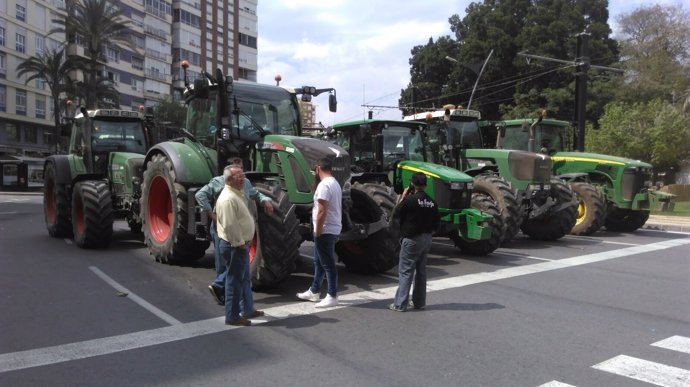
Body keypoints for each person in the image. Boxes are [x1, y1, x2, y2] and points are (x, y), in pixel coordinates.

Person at [195, 157, 272, 319]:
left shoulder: (245, 184)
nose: (242, 175)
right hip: (227, 233)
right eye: (238, 172)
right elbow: (202, 197)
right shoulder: (222, 188)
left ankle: (247, 308)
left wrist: (265, 200)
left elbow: (255, 194)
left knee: (242, 276)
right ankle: (224, 298)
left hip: (240, 236)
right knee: (226, 269)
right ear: (229, 175)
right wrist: (211, 214)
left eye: (242, 171)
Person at [388, 172, 439, 312]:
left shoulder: (409, 200)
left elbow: (395, 215)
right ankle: (419, 303)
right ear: (425, 185)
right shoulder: (432, 202)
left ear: (412, 184)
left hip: (412, 239)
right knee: (421, 271)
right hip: (427, 239)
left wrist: (403, 197)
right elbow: (436, 225)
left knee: (406, 272)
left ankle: (400, 304)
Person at [297, 157, 342, 308]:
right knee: (319, 261)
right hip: (332, 227)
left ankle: (332, 295)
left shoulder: (324, 185)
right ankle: (314, 290)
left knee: (328, 263)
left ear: (318, 169)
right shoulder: (334, 183)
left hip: (326, 229)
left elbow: (322, 210)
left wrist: (317, 231)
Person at [216, 165, 256, 326]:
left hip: (241, 245)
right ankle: (232, 316)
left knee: (244, 279)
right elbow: (230, 226)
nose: (243, 178)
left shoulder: (236, 194)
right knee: (234, 282)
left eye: (243, 175)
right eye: (239, 176)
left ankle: (248, 309)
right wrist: (240, 244)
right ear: (229, 180)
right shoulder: (227, 199)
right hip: (235, 247)